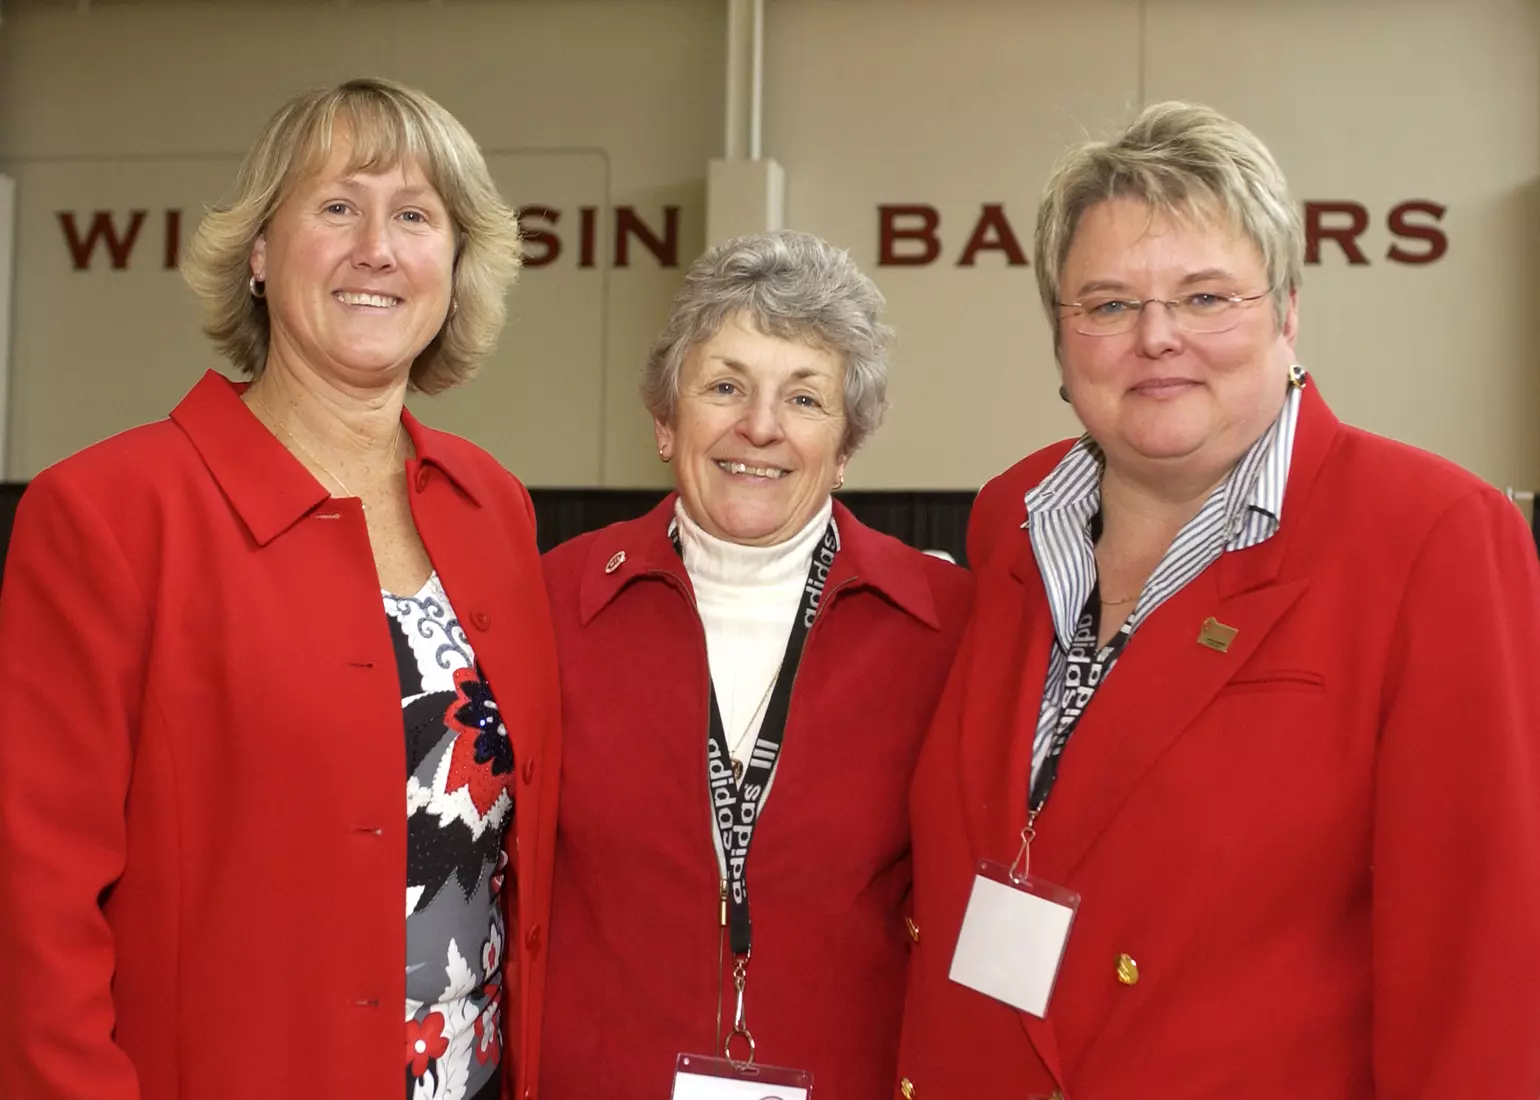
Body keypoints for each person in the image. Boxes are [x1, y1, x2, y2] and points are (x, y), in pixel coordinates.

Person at [895, 102, 1540, 1100]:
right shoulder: (1011, 522)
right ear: (1060, 338)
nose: (1156, 338)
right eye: (1106, 304)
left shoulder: (1431, 537)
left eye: (1206, 297)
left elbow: (1479, 959)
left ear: (1287, 311)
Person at [0, 78, 561, 1100]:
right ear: (259, 253)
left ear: (455, 265)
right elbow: (34, 915)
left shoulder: (496, 507)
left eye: (416, 216)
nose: (377, 248)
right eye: (337, 206)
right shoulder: (107, 514)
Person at [538, 230, 973, 1100]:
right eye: (726, 386)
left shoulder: (946, 629)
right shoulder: (549, 604)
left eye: (805, 398)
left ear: (847, 446)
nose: (760, 427)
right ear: (666, 419)